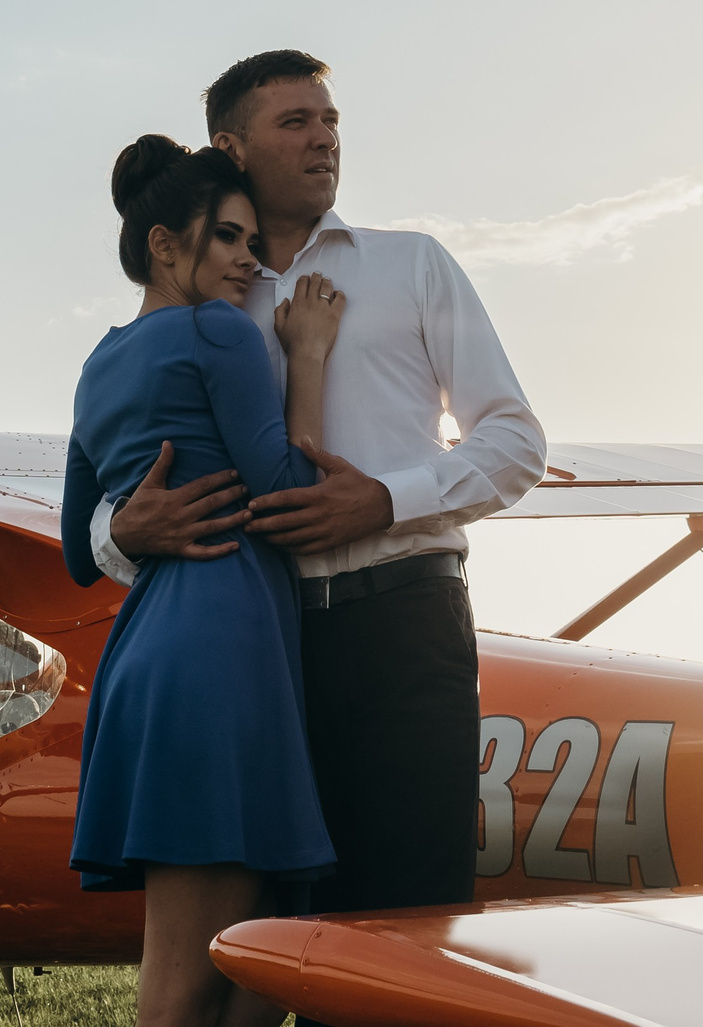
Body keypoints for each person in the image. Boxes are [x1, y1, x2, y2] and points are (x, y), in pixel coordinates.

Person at [90, 50, 547, 930]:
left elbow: (516, 442)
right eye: (294, 122)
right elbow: (120, 471)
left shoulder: (414, 263)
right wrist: (122, 533)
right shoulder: (205, 304)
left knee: (413, 926)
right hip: (266, 645)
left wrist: (385, 499)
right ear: (231, 147)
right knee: (283, 935)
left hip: (407, 629)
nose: (324, 138)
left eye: (330, 119)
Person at [61, 135, 348, 1027]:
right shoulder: (218, 330)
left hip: (152, 645)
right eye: (227, 237)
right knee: (192, 979)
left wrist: (131, 524)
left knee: (260, 963)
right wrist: (306, 354)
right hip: (219, 645)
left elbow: (77, 547)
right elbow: (284, 487)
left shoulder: (98, 364)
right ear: (164, 244)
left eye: (253, 242)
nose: (248, 259)